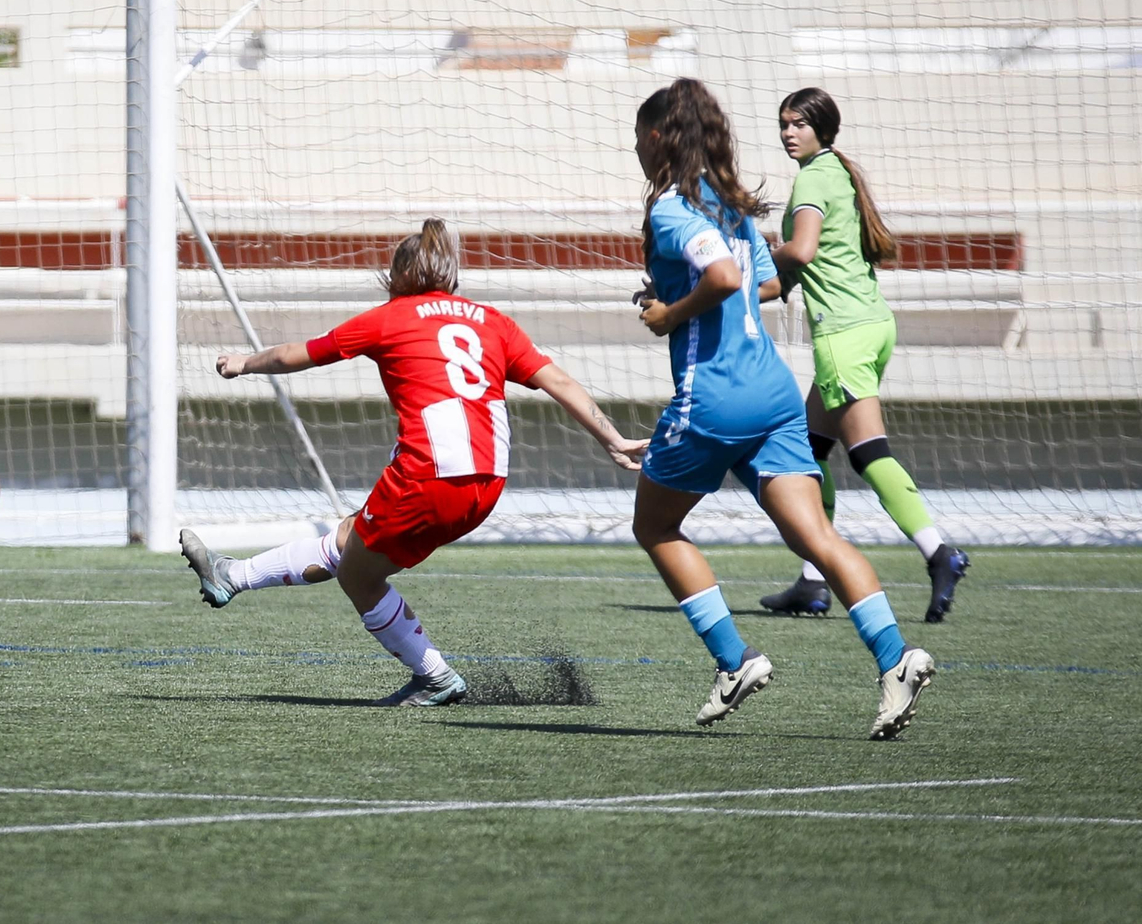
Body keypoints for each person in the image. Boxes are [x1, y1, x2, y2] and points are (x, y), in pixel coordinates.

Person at [179, 218, 647, 707]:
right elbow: (562, 383)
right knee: (349, 538)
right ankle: (232, 577)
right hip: (487, 482)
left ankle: (436, 677)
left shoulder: (392, 317)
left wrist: (243, 363)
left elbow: (300, 353)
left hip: (428, 473)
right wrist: (612, 439)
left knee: (360, 576)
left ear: (397, 276)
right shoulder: (494, 322)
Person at [632, 78, 933, 740]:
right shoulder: (732, 208)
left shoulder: (672, 209)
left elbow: (723, 279)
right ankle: (897, 658)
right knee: (817, 537)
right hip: (771, 391)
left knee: (655, 526)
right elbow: (747, 277)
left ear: (656, 138)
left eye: (636, 137)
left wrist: (667, 315)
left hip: (713, 398)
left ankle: (735, 660)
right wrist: (677, 295)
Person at [759, 87, 970, 623]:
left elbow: (800, 253)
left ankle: (939, 553)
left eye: (799, 124)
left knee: (868, 454)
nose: (788, 132)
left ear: (822, 129)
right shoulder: (838, 174)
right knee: (807, 452)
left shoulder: (812, 178)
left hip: (845, 336)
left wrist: (750, 254)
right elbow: (791, 275)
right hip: (872, 327)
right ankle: (812, 581)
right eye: (783, 123)